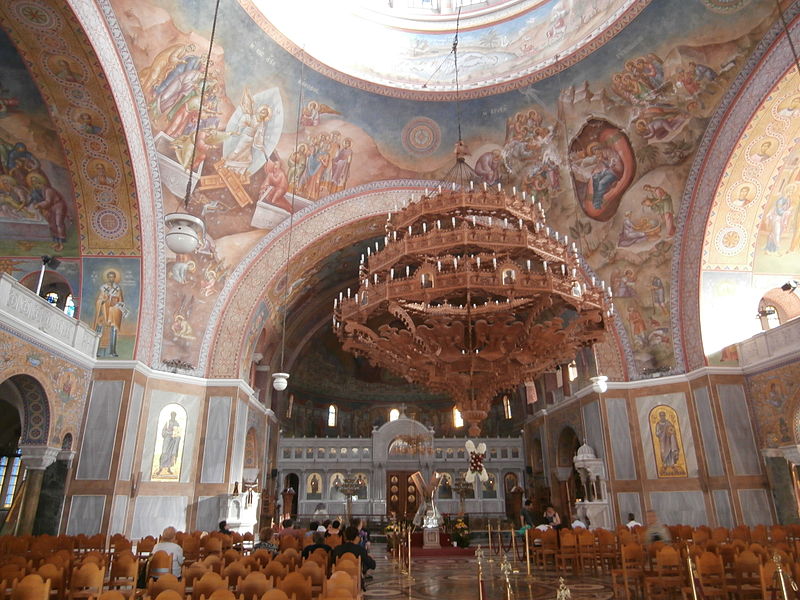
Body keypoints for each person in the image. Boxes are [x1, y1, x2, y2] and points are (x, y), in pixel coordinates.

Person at [93, 269, 125, 357]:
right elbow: (98, 300)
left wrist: (117, 303)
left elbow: (121, 301)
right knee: (100, 330)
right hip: (104, 312)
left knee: (113, 331)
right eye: (109, 277)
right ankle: (96, 351)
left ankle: (112, 351)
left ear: (115, 278)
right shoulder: (103, 288)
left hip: (113, 313)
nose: (111, 279)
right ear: (107, 278)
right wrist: (104, 300)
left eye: (113, 277)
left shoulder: (117, 289)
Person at [155, 412, 181, 477]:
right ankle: (160, 468)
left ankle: (169, 468)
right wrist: (167, 433)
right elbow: (163, 431)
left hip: (173, 441)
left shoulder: (177, 423)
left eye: (174, 415)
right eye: (172, 415)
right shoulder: (167, 422)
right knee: (164, 453)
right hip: (167, 439)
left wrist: (175, 435)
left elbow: (178, 433)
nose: (173, 416)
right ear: (171, 415)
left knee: (170, 454)